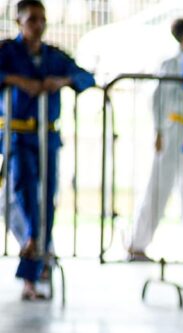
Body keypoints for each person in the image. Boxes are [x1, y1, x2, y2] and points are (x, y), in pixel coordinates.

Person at [0, 0, 95, 301]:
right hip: (18, 136)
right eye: (31, 20)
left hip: (47, 138)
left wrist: (63, 81)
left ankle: (35, 252)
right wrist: (17, 81)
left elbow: (86, 77)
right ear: (18, 22)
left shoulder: (53, 56)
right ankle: (32, 247)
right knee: (24, 192)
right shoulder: (7, 53)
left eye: (42, 19)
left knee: (47, 199)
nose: (37, 26)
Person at [124, 18, 183, 263]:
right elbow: (157, 100)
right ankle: (137, 242)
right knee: (158, 186)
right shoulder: (170, 64)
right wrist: (158, 130)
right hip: (171, 130)